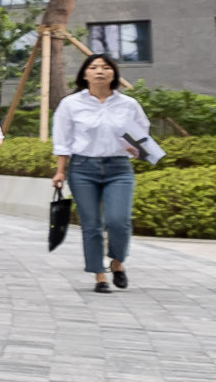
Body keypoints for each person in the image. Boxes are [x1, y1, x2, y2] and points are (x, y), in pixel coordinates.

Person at [51, 52, 150, 293]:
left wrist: (139, 149)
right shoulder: (71, 104)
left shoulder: (128, 104)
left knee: (119, 221)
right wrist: (60, 172)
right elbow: (63, 140)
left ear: (114, 73)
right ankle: (99, 276)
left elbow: (142, 136)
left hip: (119, 168)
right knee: (92, 224)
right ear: (84, 74)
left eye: (106, 67)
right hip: (83, 169)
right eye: (94, 67)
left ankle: (116, 262)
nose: (99, 71)